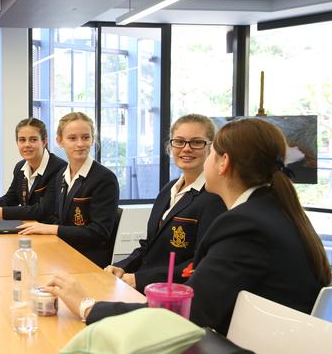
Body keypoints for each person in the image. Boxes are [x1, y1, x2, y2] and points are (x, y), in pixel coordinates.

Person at [45, 118, 331, 334]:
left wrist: (87, 306)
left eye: (206, 147)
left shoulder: (244, 224)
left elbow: (188, 313)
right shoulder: (270, 209)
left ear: (222, 162)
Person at [105, 114, 226, 292]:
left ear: (211, 147)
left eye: (196, 142)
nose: (186, 149)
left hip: (177, 294)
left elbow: (201, 261)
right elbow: (149, 245)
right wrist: (122, 266)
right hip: (148, 287)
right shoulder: (168, 190)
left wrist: (140, 278)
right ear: (170, 146)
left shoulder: (215, 197)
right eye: (179, 141)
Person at [18, 112, 119, 267]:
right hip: (63, 252)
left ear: (93, 140)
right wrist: (41, 229)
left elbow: (99, 232)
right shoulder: (61, 175)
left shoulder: (105, 179)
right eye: (72, 138)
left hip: (87, 261)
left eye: (85, 137)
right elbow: (59, 218)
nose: (80, 144)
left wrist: (52, 229)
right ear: (59, 141)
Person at [0, 117, 66, 222]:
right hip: (28, 229)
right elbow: (11, 198)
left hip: (51, 233)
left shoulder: (60, 168)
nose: (27, 145)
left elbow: (44, 210)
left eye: (33, 140)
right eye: (22, 140)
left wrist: (1, 212)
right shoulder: (19, 167)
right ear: (17, 142)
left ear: (44, 141)